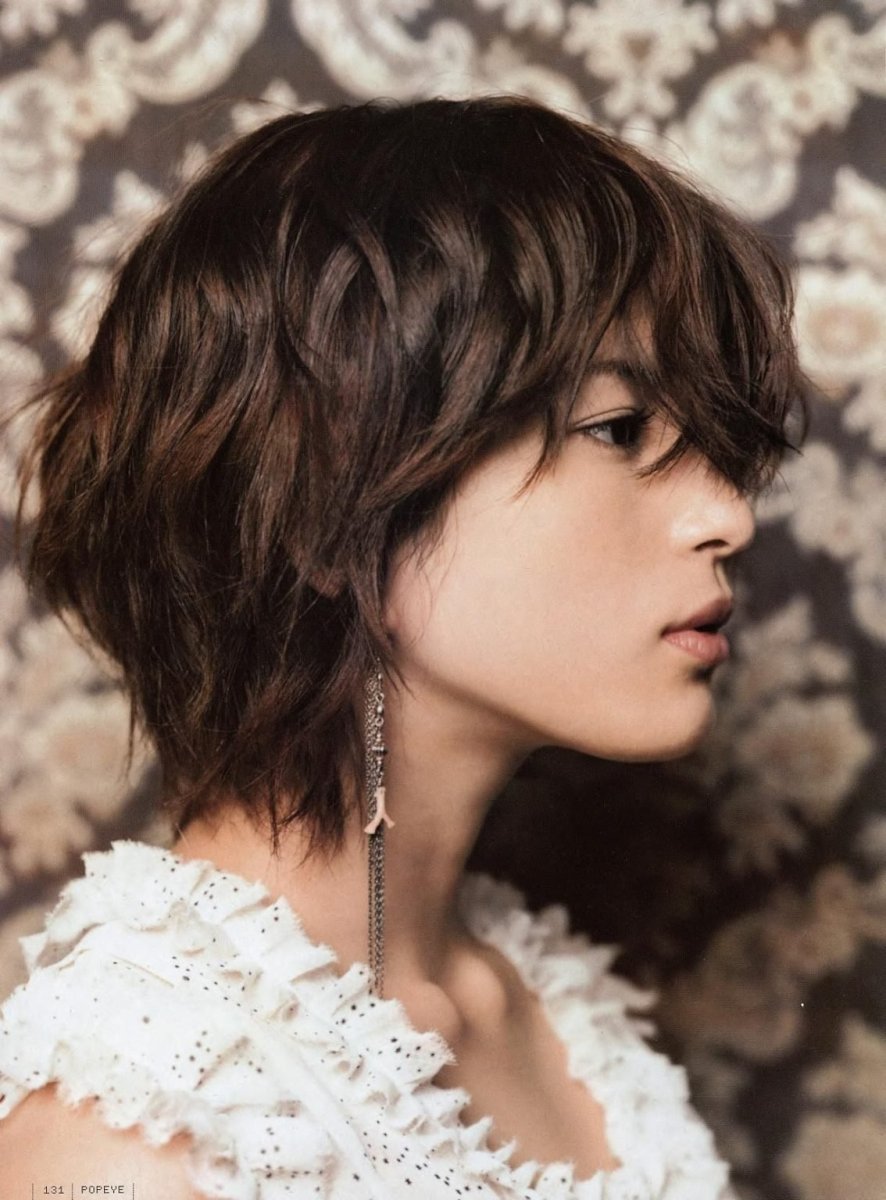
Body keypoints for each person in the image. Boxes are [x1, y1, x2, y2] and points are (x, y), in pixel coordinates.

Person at [0, 94, 808, 1199]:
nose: (729, 517)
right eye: (620, 429)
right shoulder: (138, 1127)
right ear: (335, 498)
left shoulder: (543, 996)